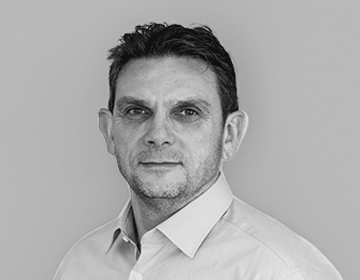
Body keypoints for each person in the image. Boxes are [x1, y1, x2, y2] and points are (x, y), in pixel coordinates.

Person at [53, 22, 343, 280]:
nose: (158, 135)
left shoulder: (281, 272)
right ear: (109, 131)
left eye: (187, 112)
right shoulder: (79, 265)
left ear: (230, 134)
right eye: (137, 111)